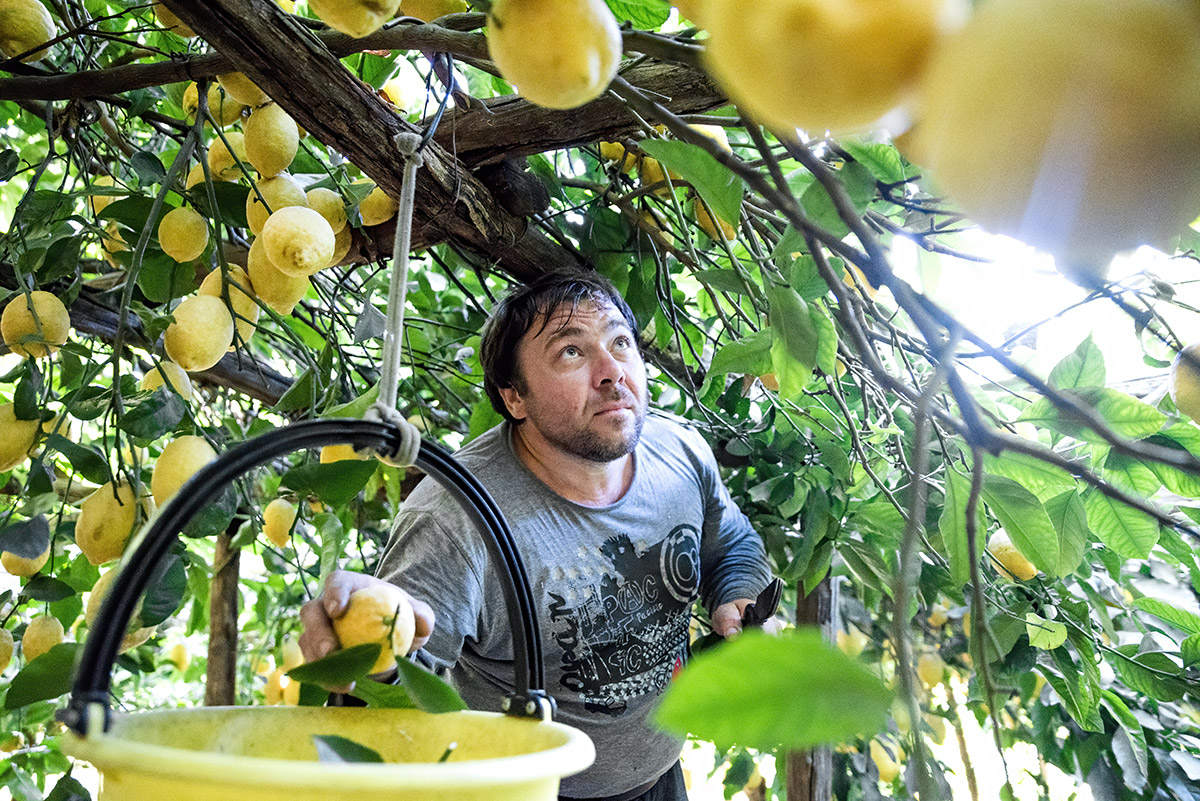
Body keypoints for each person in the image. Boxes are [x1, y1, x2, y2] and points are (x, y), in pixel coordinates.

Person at [301, 270, 773, 801]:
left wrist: (736, 595)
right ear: (514, 397)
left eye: (620, 342)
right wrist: (364, 647)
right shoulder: (455, 518)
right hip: (524, 788)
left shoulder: (679, 451)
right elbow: (390, 694)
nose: (611, 372)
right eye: (571, 352)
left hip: (659, 778)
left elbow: (731, 540)